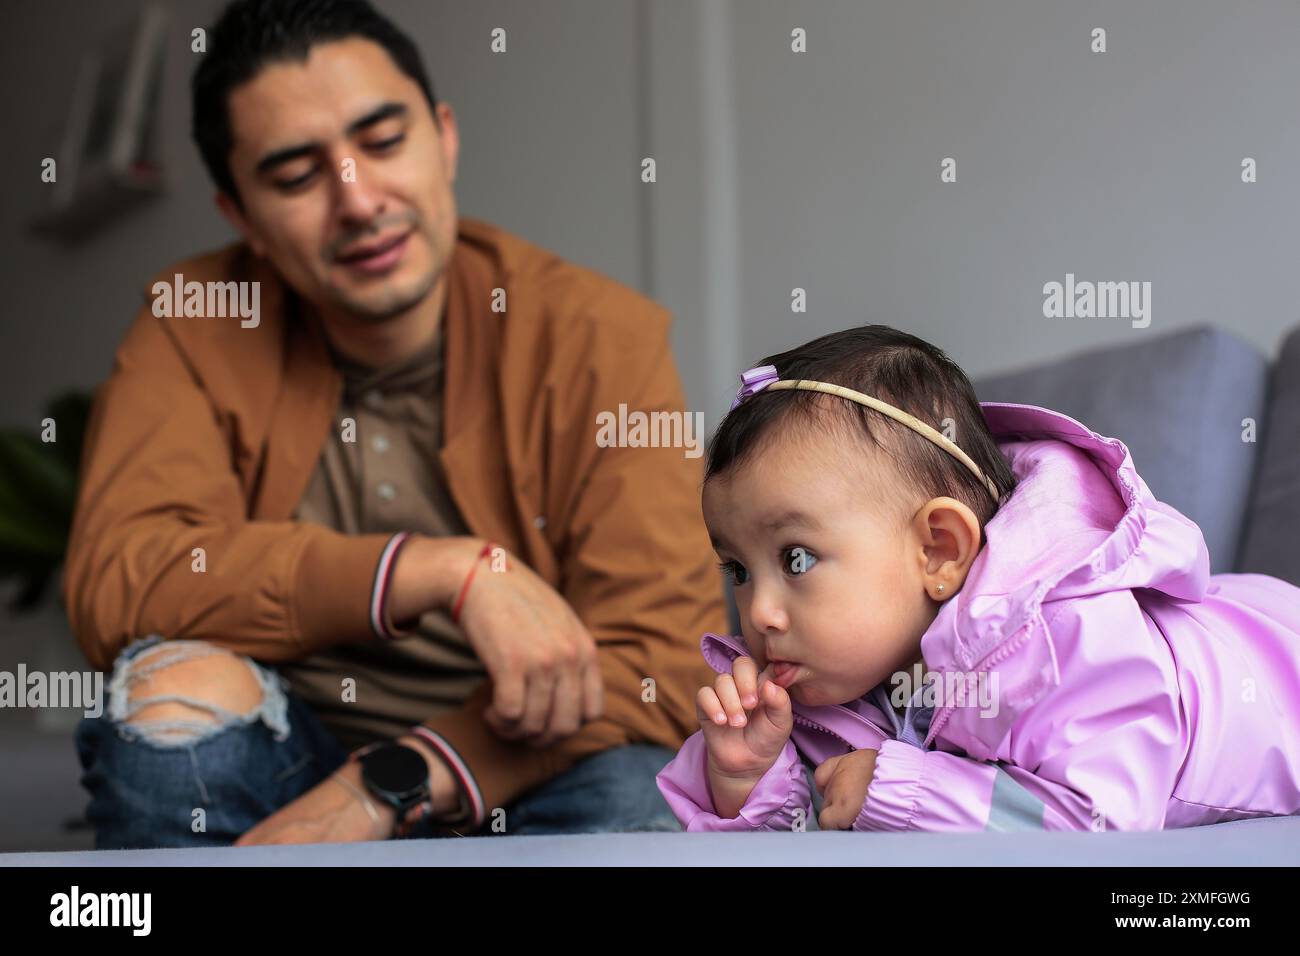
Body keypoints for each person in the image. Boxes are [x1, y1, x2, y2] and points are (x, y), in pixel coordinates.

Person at [66, 0, 725, 848]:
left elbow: (662, 657)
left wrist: (398, 782)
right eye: (297, 176)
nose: (358, 201)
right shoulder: (196, 319)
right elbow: (121, 578)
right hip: (287, 761)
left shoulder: (597, 333)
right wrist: (431, 571)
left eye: (383, 142)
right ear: (241, 217)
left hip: (522, 761)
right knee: (165, 708)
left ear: (443, 137)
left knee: (648, 794)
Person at [657, 324, 1300, 831]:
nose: (758, 613)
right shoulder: (824, 685)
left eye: (796, 559)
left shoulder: (1064, 638)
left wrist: (898, 789)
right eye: (737, 569)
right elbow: (811, 830)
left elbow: (1104, 817)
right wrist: (747, 777)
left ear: (938, 550)